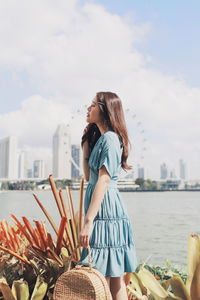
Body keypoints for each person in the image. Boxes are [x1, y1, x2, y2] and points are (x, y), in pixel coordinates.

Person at [78, 92, 137, 300]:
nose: (88, 108)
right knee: (109, 276)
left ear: (104, 110)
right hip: (99, 207)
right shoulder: (102, 139)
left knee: (110, 276)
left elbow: (103, 180)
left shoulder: (111, 140)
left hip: (105, 211)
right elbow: (88, 176)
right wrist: (85, 143)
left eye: (93, 104)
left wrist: (88, 221)